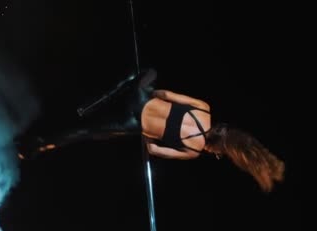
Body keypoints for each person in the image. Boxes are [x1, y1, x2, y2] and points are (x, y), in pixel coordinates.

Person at [16, 68, 285, 193]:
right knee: (86, 134)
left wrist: (146, 94)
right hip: (132, 124)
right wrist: (152, 134)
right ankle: (42, 145)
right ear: (217, 147)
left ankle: (100, 99)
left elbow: (166, 93)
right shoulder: (192, 151)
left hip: (141, 99)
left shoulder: (203, 108)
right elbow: (153, 148)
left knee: (148, 72)